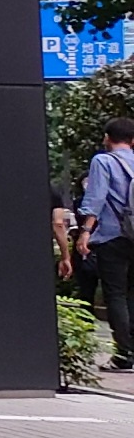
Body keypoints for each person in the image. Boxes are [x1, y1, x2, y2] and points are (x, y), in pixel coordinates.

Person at [83, 129, 134, 371]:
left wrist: (86, 230)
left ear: (106, 137)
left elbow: (96, 198)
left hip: (112, 235)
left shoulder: (103, 161)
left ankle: (124, 354)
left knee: (115, 294)